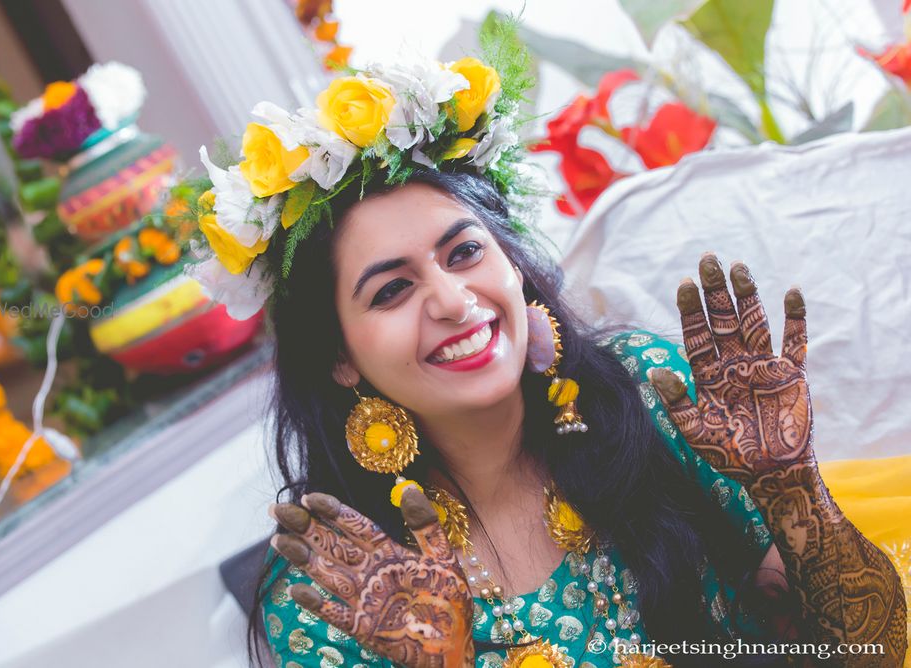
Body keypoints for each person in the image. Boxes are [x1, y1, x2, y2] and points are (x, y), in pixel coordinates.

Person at [184, 35, 908, 668]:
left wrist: (791, 485)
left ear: (514, 267)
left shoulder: (653, 396)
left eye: (465, 252)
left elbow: (870, 654)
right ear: (339, 357)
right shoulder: (337, 587)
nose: (451, 299)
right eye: (391, 291)